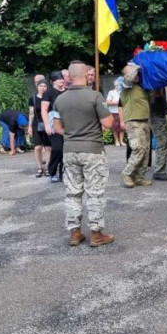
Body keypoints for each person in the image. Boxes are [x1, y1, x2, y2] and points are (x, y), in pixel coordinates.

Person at [53, 62, 115, 247]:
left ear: (69, 77)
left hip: (70, 150)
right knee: (94, 192)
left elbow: (57, 127)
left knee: (72, 192)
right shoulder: (94, 96)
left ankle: (75, 232)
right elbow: (109, 123)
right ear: (86, 74)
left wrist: (72, 135)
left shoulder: (60, 99)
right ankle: (96, 234)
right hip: (92, 150)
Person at [118, 63, 152, 188]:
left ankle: (139, 177)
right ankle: (127, 174)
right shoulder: (125, 86)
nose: (137, 75)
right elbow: (129, 77)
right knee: (138, 149)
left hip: (145, 121)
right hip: (133, 122)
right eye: (134, 73)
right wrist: (137, 66)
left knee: (146, 150)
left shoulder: (142, 87)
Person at [42, 71, 67, 183]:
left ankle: (63, 172)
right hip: (54, 124)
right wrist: (47, 125)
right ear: (52, 81)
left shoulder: (68, 91)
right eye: (58, 78)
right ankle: (52, 171)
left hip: (67, 124)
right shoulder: (49, 93)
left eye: (62, 78)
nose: (61, 80)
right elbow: (44, 109)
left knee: (66, 150)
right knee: (57, 149)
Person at [28, 80, 50, 177]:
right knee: (38, 147)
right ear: (37, 87)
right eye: (41, 86)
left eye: (44, 86)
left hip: (48, 123)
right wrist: (29, 126)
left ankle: (48, 167)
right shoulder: (32, 98)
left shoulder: (49, 97)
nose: (42, 88)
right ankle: (40, 167)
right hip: (36, 124)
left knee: (48, 147)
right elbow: (31, 113)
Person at [149, 89, 167, 181]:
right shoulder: (154, 80)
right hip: (155, 113)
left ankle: (159, 169)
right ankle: (159, 171)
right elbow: (156, 94)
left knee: (163, 142)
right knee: (163, 142)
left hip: (159, 112)